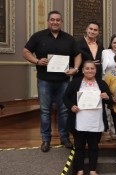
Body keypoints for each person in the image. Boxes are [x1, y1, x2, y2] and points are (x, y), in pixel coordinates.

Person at [23, 10, 80, 152]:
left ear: (61, 22)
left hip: (63, 81)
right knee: (45, 111)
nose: (55, 22)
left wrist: (76, 68)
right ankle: (46, 139)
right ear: (48, 21)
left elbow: (77, 55)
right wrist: (36, 60)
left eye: (58, 20)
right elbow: (25, 51)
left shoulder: (69, 38)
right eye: (52, 20)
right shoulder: (38, 36)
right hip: (44, 81)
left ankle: (64, 138)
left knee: (64, 110)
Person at [63, 61, 112, 175]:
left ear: (96, 70)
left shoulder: (101, 83)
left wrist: (107, 97)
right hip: (79, 120)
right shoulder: (75, 83)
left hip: (96, 121)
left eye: (92, 68)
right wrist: (71, 106)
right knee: (79, 146)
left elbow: (110, 100)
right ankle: (79, 172)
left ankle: (92, 171)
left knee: (94, 147)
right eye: (87, 68)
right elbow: (65, 98)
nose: (90, 71)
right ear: (83, 70)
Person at [101, 34, 116, 141]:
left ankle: (115, 129)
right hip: (106, 82)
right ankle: (107, 128)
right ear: (111, 44)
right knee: (106, 107)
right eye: (114, 42)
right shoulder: (105, 52)